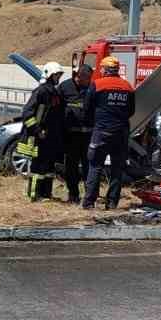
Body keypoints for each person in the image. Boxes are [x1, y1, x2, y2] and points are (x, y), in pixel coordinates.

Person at [83, 56, 136, 210]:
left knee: (95, 166)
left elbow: (87, 108)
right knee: (117, 169)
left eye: (101, 68)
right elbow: (131, 111)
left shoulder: (97, 84)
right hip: (121, 134)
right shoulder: (127, 86)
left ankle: (89, 203)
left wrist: (93, 122)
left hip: (101, 132)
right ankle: (112, 203)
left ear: (105, 70)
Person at [19, 61, 66, 201]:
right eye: (56, 75)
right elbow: (27, 113)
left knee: (49, 168)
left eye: (59, 75)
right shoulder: (41, 91)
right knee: (38, 168)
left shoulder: (55, 92)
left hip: (51, 137)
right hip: (39, 137)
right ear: (49, 75)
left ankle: (46, 193)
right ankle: (34, 195)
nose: (58, 77)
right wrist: (37, 130)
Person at [56, 62, 94, 204]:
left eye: (90, 78)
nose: (89, 80)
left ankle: (89, 197)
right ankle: (73, 195)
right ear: (79, 75)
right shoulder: (65, 87)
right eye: (87, 78)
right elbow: (56, 108)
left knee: (88, 167)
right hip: (71, 135)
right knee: (71, 167)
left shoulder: (91, 88)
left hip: (88, 135)